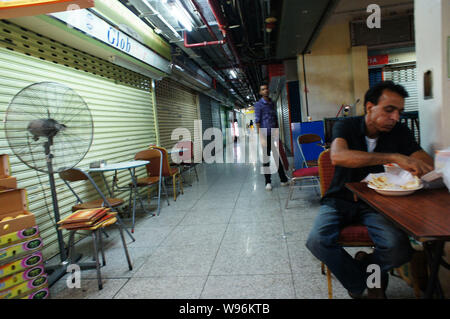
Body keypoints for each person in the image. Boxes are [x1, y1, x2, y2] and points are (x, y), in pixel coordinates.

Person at [305, 81, 434, 299]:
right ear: (369, 107)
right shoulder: (346, 126)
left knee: (397, 248)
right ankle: (364, 280)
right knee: (316, 241)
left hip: (377, 203)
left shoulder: (399, 132)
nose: (395, 117)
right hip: (340, 199)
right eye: (389, 110)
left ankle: (366, 276)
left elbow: (424, 162)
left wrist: (425, 167)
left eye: (399, 112)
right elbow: (337, 156)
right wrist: (393, 157)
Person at [254, 83, 289, 191]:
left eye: (266, 89)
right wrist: (261, 137)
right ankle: (267, 182)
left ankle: (283, 180)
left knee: (277, 157)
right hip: (265, 134)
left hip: (274, 133)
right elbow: (257, 121)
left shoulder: (272, 103)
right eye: (263, 89)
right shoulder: (259, 105)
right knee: (266, 159)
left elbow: (275, 118)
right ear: (260, 92)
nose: (265, 90)